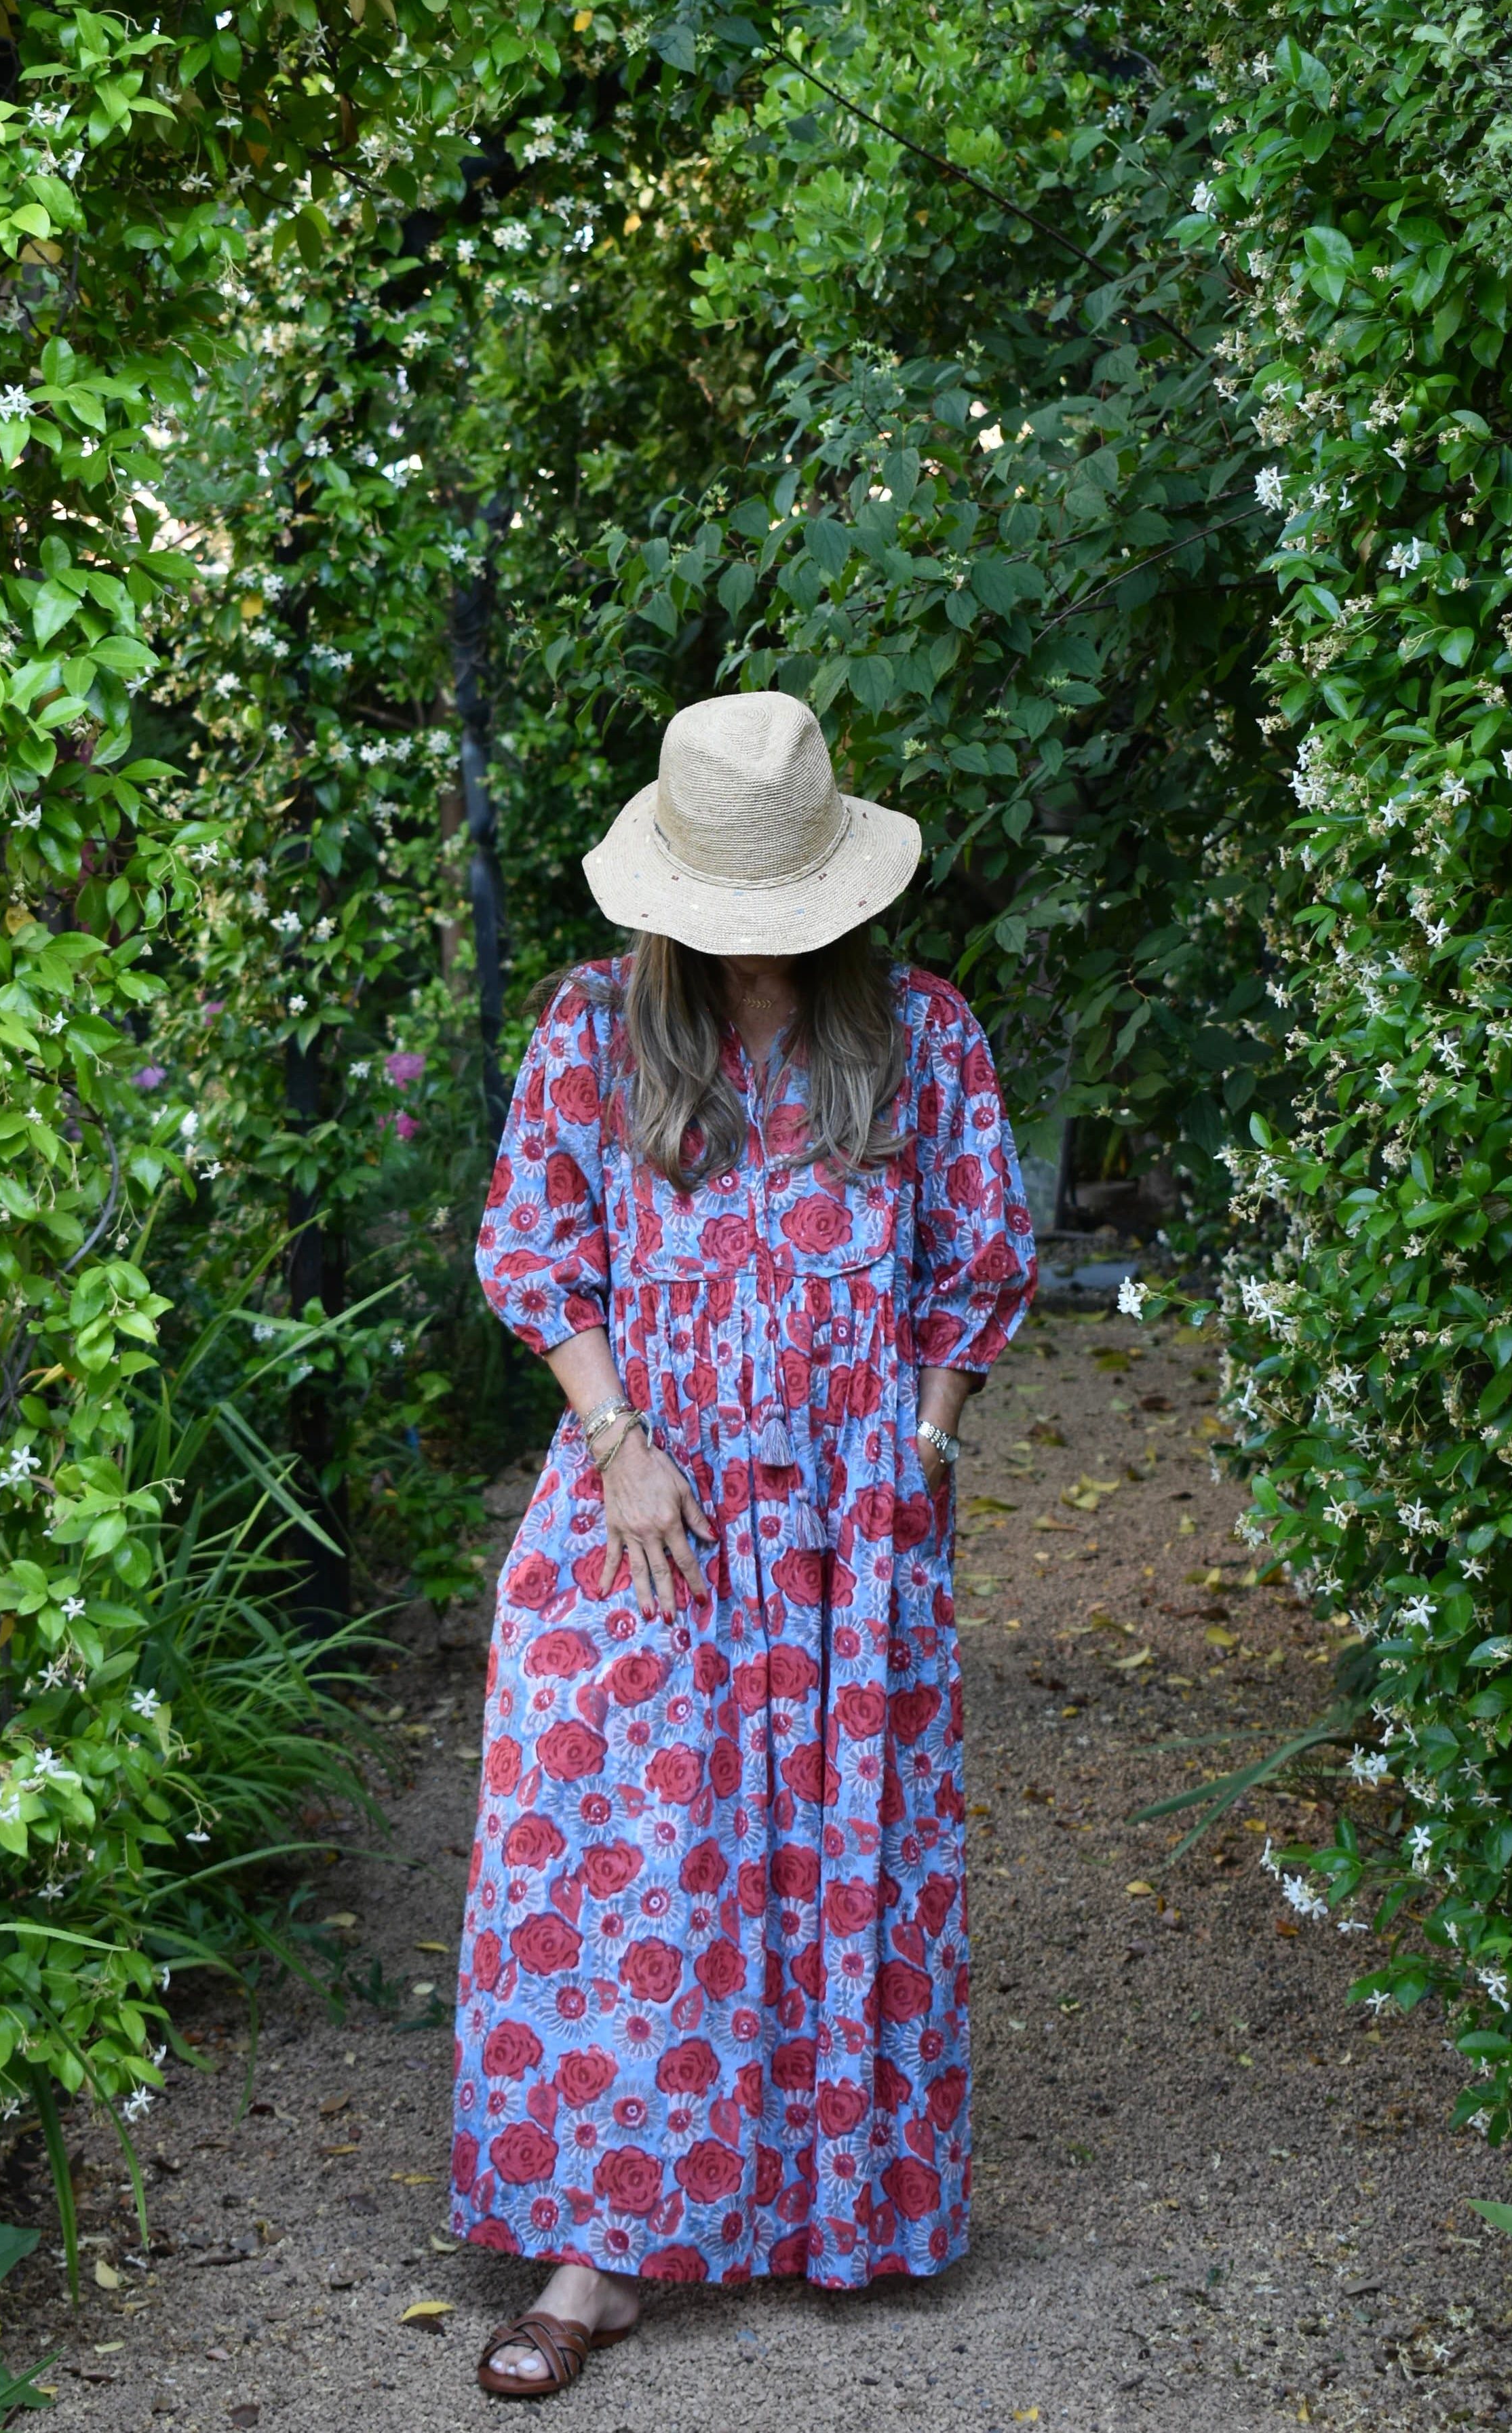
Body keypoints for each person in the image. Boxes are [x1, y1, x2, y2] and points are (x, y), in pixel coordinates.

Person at [450, 693, 1036, 2398]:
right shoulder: (591, 1029)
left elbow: (980, 1260)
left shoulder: (922, 1032)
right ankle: (601, 2252)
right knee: (631, 1843)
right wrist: (619, 1443)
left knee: (836, 1844)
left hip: (855, 1512)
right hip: (658, 1504)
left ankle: (823, 2203)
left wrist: (920, 1451)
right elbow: (534, 1248)